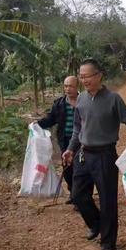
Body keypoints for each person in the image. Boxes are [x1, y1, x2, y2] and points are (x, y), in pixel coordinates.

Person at [62, 58, 126, 250]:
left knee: (107, 200)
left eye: (87, 76)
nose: (84, 80)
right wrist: (71, 149)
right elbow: (77, 128)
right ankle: (97, 224)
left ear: (99, 75)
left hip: (105, 156)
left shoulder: (113, 99)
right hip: (84, 154)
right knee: (78, 196)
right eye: (81, 77)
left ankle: (108, 242)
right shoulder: (81, 99)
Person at [38, 75, 78, 204]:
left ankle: (81, 197)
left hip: (82, 140)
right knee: (67, 168)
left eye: (70, 86)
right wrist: (37, 124)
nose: (67, 89)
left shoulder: (85, 101)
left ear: (77, 86)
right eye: (65, 86)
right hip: (65, 140)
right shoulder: (59, 104)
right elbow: (51, 119)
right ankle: (73, 193)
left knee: (81, 168)